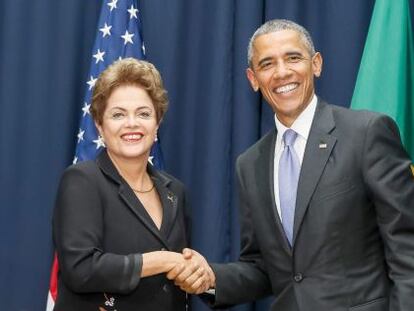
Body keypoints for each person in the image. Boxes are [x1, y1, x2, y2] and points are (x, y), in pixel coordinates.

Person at [173, 19, 414, 310]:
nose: (282, 72)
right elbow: (265, 268)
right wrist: (210, 278)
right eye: (267, 64)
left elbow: (406, 248)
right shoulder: (250, 164)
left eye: (293, 58)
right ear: (253, 78)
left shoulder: (366, 133)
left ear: (316, 64)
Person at [52, 58, 213, 311]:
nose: (132, 124)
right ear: (99, 126)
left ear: (157, 123)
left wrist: (196, 270)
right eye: (118, 114)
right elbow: (81, 269)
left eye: (144, 113)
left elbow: (178, 279)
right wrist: (162, 260)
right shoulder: (82, 180)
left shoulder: (176, 191)